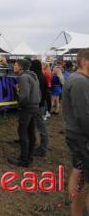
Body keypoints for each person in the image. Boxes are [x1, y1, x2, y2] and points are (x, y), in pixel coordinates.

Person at [62, 49, 89, 216]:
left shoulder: (78, 79)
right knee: (82, 175)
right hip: (82, 136)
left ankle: (76, 212)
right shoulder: (80, 81)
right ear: (85, 61)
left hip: (77, 134)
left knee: (79, 171)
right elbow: (84, 116)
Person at [8, 59, 41, 167]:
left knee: (23, 133)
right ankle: (28, 157)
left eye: (16, 65)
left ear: (21, 67)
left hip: (27, 108)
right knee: (31, 133)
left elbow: (25, 96)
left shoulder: (23, 77)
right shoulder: (33, 75)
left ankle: (23, 159)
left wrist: (19, 103)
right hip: (35, 106)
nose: (14, 66)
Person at [30, 59, 49, 157]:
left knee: (41, 128)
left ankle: (43, 149)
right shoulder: (42, 76)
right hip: (41, 104)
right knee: (36, 125)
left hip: (37, 105)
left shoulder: (36, 77)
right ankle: (36, 144)